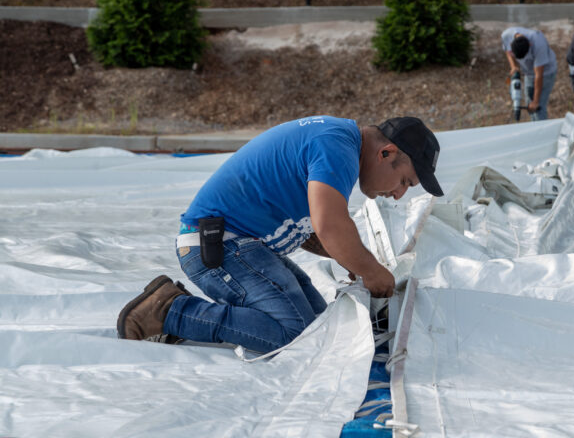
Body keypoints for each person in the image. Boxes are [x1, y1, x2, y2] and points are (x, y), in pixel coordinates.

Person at [116, 115, 443, 353]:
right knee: (297, 334)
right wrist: (373, 273)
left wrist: (352, 259)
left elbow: (311, 230)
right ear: (386, 153)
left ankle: (189, 315)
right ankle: (170, 311)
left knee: (318, 328)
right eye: (405, 182)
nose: (399, 194)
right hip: (219, 246)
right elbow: (329, 224)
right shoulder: (337, 148)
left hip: (240, 246)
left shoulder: (336, 141)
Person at [501, 26, 558, 121]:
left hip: (546, 73)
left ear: (530, 45)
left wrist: (535, 101)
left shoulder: (539, 44)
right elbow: (507, 51)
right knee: (529, 105)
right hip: (528, 73)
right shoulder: (507, 35)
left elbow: (539, 75)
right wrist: (514, 66)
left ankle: (541, 131)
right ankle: (534, 124)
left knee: (539, 107)